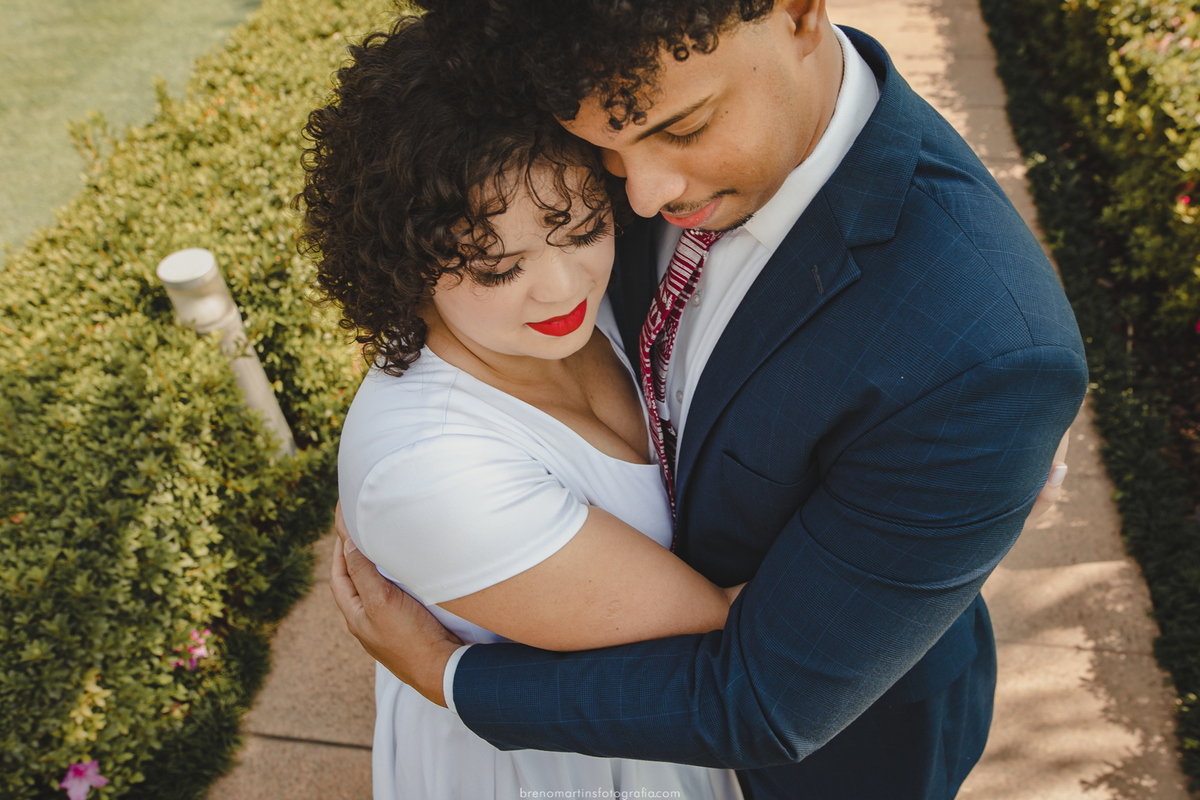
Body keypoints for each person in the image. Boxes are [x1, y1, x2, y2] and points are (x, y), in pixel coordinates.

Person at [329, 1, 1089, 799]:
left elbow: (767, 696)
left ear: (797, 14)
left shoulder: (981, 353)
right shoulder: (609, 105)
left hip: (837, 753)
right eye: (603, 151)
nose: (642, 194)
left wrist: (448, 675)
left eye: (684, 129)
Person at [297, 16, 746, 799]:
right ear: (405, 264)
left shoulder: (606, 299)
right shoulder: (428, 471)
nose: (563, 289)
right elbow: (728, 629)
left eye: (583, 227)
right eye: (498, 268)